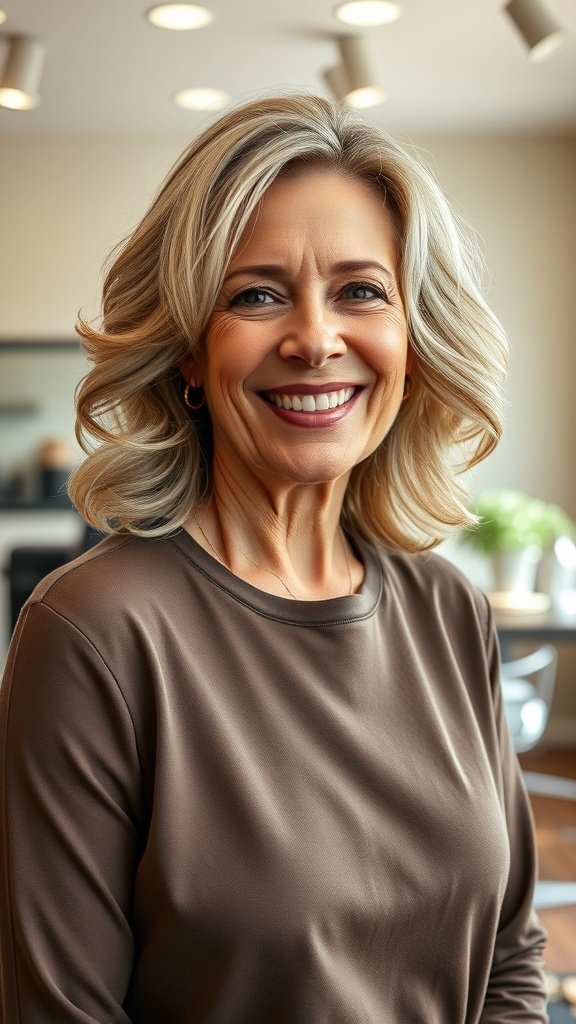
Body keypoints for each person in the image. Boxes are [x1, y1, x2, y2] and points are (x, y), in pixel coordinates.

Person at [0, 94, 547, 1023]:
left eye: (361, 291)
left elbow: (510, 959)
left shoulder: (450, 611)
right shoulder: (92, 633)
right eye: (255, 294)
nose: (315, 339)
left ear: (411, 340)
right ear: (184, 351)